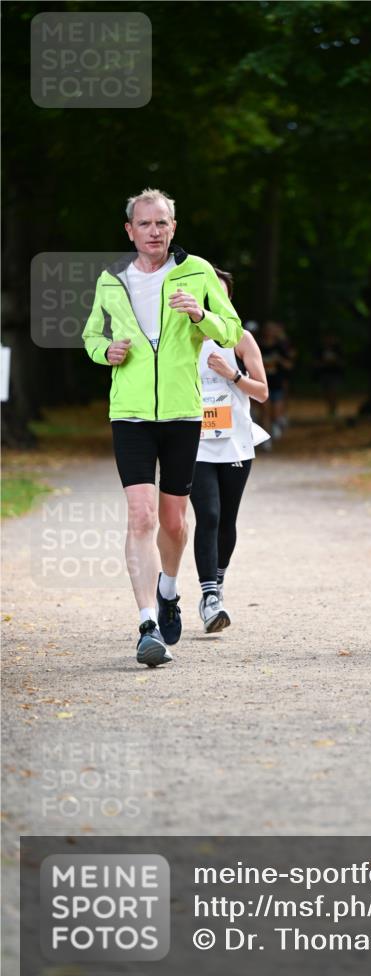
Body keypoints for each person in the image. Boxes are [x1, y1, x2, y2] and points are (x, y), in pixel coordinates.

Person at [82, 188, 243, 667]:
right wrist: (102, 351)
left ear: (174, 228)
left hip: (180, 412)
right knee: (141, 517)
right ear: (129, 231)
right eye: (145, 224)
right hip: (129, 412)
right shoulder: (111, 280)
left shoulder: (197, 272)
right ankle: (148, 624)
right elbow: (93, 333)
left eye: (162, 224)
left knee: (173, 522)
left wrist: (200, 313)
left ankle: (169, 588)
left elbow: (231, 330)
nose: (154, 231)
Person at [189, 269, 269, 632]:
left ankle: (217, 583)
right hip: (194, 443)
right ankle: (209, 597)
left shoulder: (240, 339)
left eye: (220, 296)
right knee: (208, 513)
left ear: (229, 301)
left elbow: (263, 392)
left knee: (226, 520)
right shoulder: (183, 338)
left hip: (235, 442)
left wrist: (231, 374)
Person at [258, 320, 293, 439]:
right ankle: (266, 438)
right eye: (267, 330)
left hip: (277, 383)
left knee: (275, 413)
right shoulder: (258, 346)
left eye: (272, 330)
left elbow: (289, 365)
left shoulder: (280, 347)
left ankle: (275, 426)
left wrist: (278, 360)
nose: (269, 332)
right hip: (262, 384)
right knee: (265, 411)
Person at [313, 333, 345, 418]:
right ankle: (330, 409)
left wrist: (334, 361)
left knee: (333, 391)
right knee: (326, 392)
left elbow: (342, 362)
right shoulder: (320, 350)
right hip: (324, 374)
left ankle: (334, 409)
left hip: (334, 374)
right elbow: (315, 363)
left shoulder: (338, 349)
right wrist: (324, 363)